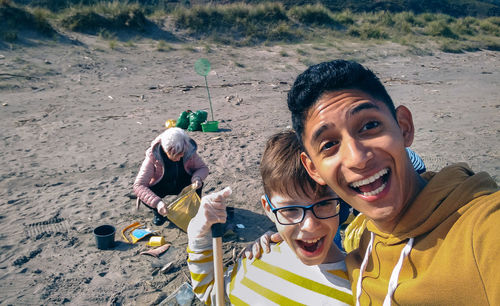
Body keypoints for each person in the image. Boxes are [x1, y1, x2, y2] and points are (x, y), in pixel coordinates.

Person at [285, 59, 500, 305]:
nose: (358, 158)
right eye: (330, 144)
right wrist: (288, 232)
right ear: (313, 168)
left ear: (404, 127)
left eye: (370, 126)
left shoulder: (484, 229)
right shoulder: (362, 237)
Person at [186, 130, 353, 305]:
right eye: (290, 209)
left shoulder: (363, 290)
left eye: (324, 204)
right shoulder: (255, 259)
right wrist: (198, 233)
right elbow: (214, 294)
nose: (309, 225)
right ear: (268, 208)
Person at [133, 127, 209, 226]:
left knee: (198, 184)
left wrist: (197, 178)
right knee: (144, 195)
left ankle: (191, 210)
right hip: (162, 186)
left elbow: (203, 168)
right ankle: (159, 214)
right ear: (168, 150)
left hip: (182, 184)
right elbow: (139, 185)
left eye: (182, 154)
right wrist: (157, 203)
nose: (179, 158)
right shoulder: (152, 156)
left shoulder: (188, 150)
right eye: (177, 155)